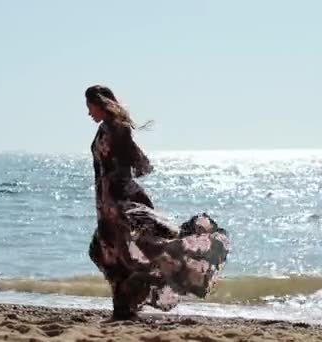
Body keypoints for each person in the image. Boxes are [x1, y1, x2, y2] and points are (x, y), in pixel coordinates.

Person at [85, 85, 230, 320]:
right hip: (105, 202)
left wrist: (125, 201)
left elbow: (127, 168)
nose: (88, 113)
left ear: (99, 104)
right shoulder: (104, 129)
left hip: (118, 200)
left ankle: (127, 306)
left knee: (126, 253)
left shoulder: (118, 129)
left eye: (89, 107)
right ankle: (124, 308)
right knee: (104, 253)